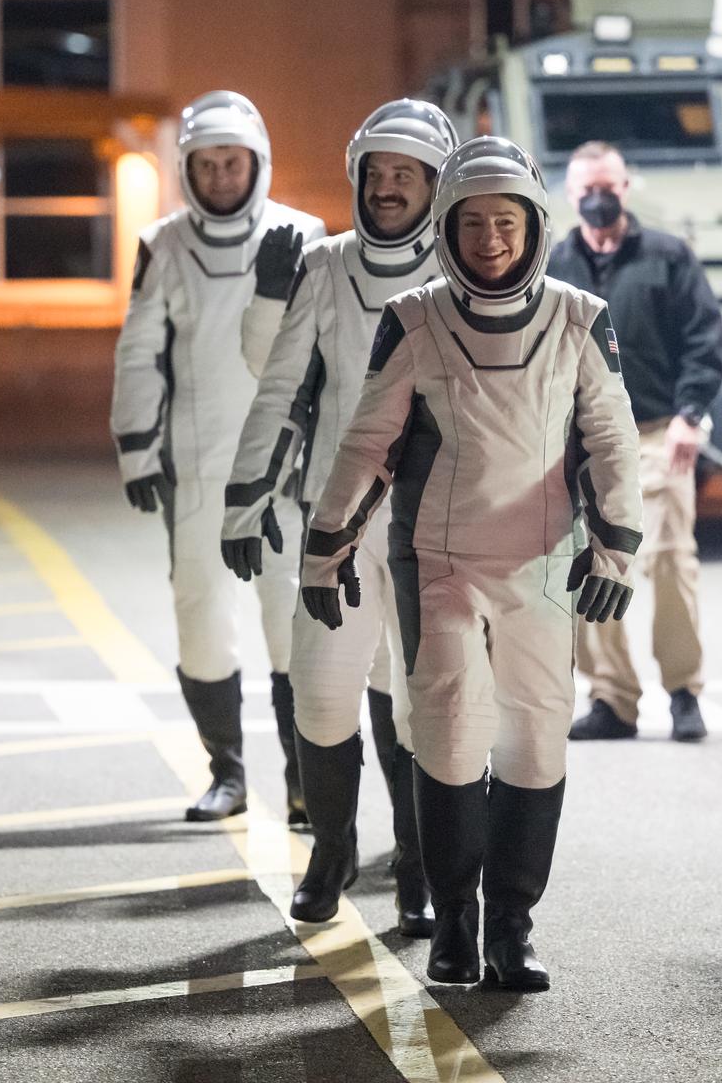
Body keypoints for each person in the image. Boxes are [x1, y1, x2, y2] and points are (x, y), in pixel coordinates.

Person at [300, 136, 644, 992]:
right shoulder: (413, 317)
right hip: (442, 562)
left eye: (507, 221)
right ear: (447, 231)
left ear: (535, 227)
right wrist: (326, 542)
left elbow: (611, 439)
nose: (491, 238)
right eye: (474, 222)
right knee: (450, 737)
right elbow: (367, 440)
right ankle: (455, 920)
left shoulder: (578, 317)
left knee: (535, 742)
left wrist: (619, 545)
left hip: (541, 565)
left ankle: (513, 928)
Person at [223, 99, 455, 936]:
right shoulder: (323, 267)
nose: (389, 188)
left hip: (439, 526)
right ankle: (332, 851)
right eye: (377, 173)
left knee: (423, 704)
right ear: (358, 177)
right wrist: (244, 495)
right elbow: (281, 387)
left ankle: (420, 865)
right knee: (320, 699)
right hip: (338, 524)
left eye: (407, 175)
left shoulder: (469, 268)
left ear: (438, 183)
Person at [111, 90, 326, 822]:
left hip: (284, 468)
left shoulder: (306, 234)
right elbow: (139, 352)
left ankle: (305, 781)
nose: (222, 176)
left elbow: (327, 350)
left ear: (257, 163)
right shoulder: (162, 245)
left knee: (293, 620)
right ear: (188, 170)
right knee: (202, 617)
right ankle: (227, 772)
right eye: (207, 164)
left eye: (233, 162)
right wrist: (137, 447)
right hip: (197, 465)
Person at [548, 141, 722, 744]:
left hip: (657, 435)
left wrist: (690, 415)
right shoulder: (553, 266)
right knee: (589, 565)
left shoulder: (668, 257)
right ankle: (613, 700)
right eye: (586, 188)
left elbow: (704, 342)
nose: (598, 197)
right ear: (571, 196)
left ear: (626, 188)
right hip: (582, 442)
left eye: (609, 186)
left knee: (671, 560)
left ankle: (683, 692)